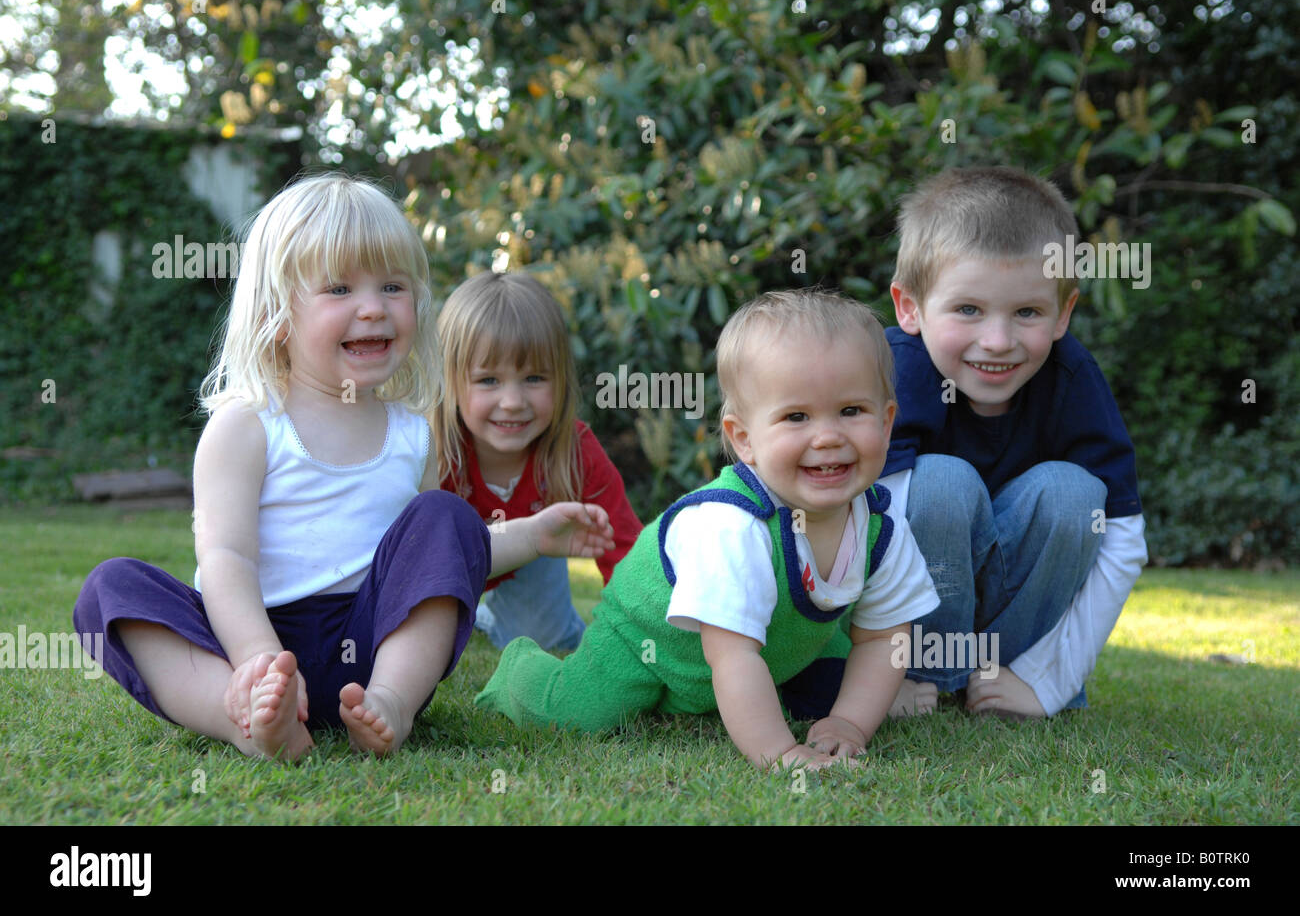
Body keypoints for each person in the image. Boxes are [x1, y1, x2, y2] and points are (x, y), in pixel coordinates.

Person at [73, 173, 613, 761]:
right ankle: (247, 717)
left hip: (370, 639)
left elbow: (441, 557)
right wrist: (259, 660)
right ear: (278, 311)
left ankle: (390, 704)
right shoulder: (246, 426)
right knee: (112, 589)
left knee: (445, 514)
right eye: (339, 289)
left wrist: (534, 534)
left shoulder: (412, 432)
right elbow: (226, 559)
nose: (373, 309)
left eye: (392, 286)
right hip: (251, 634)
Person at [476, 289, 939, 769]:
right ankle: (520, 671)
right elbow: (733, 655)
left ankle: (793, 701)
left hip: (780, 650)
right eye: (796, 416)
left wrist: (850, 722)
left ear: (887, 424)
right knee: (577, 713)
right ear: (744, 439)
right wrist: (781, 753)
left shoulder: (881, 527)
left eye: (851, 411)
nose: (827, 436)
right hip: (649, 641)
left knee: (830, 694)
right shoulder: (734, 525)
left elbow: (884, 637)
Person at [880, 166, 1148, 719]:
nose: (998, 342)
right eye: (968, 310)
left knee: (1074, 494)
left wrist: (1047, 682)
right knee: (939, 484)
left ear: (1062, 313)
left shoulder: (1073, 380)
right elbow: (853, 528)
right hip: (912, 629)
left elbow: (1123, 540)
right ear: (909, 307)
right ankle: (922, 676)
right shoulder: (886, 375)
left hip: (1012, 640)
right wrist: (875, 671)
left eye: (1026, 312)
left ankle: (1003, 681)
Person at [434, 271, 642, 651]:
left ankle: (493, 620)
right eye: (488, 381)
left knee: (544, 640)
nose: (513, 401)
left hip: (531, 558)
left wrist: (643, 635)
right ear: (450, 382)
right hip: (445, 567)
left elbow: (625, 550)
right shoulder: (434, 453)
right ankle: (473, 615)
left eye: (533, 378)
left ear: (560, 380)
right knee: (433, 637)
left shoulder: (574, 452)